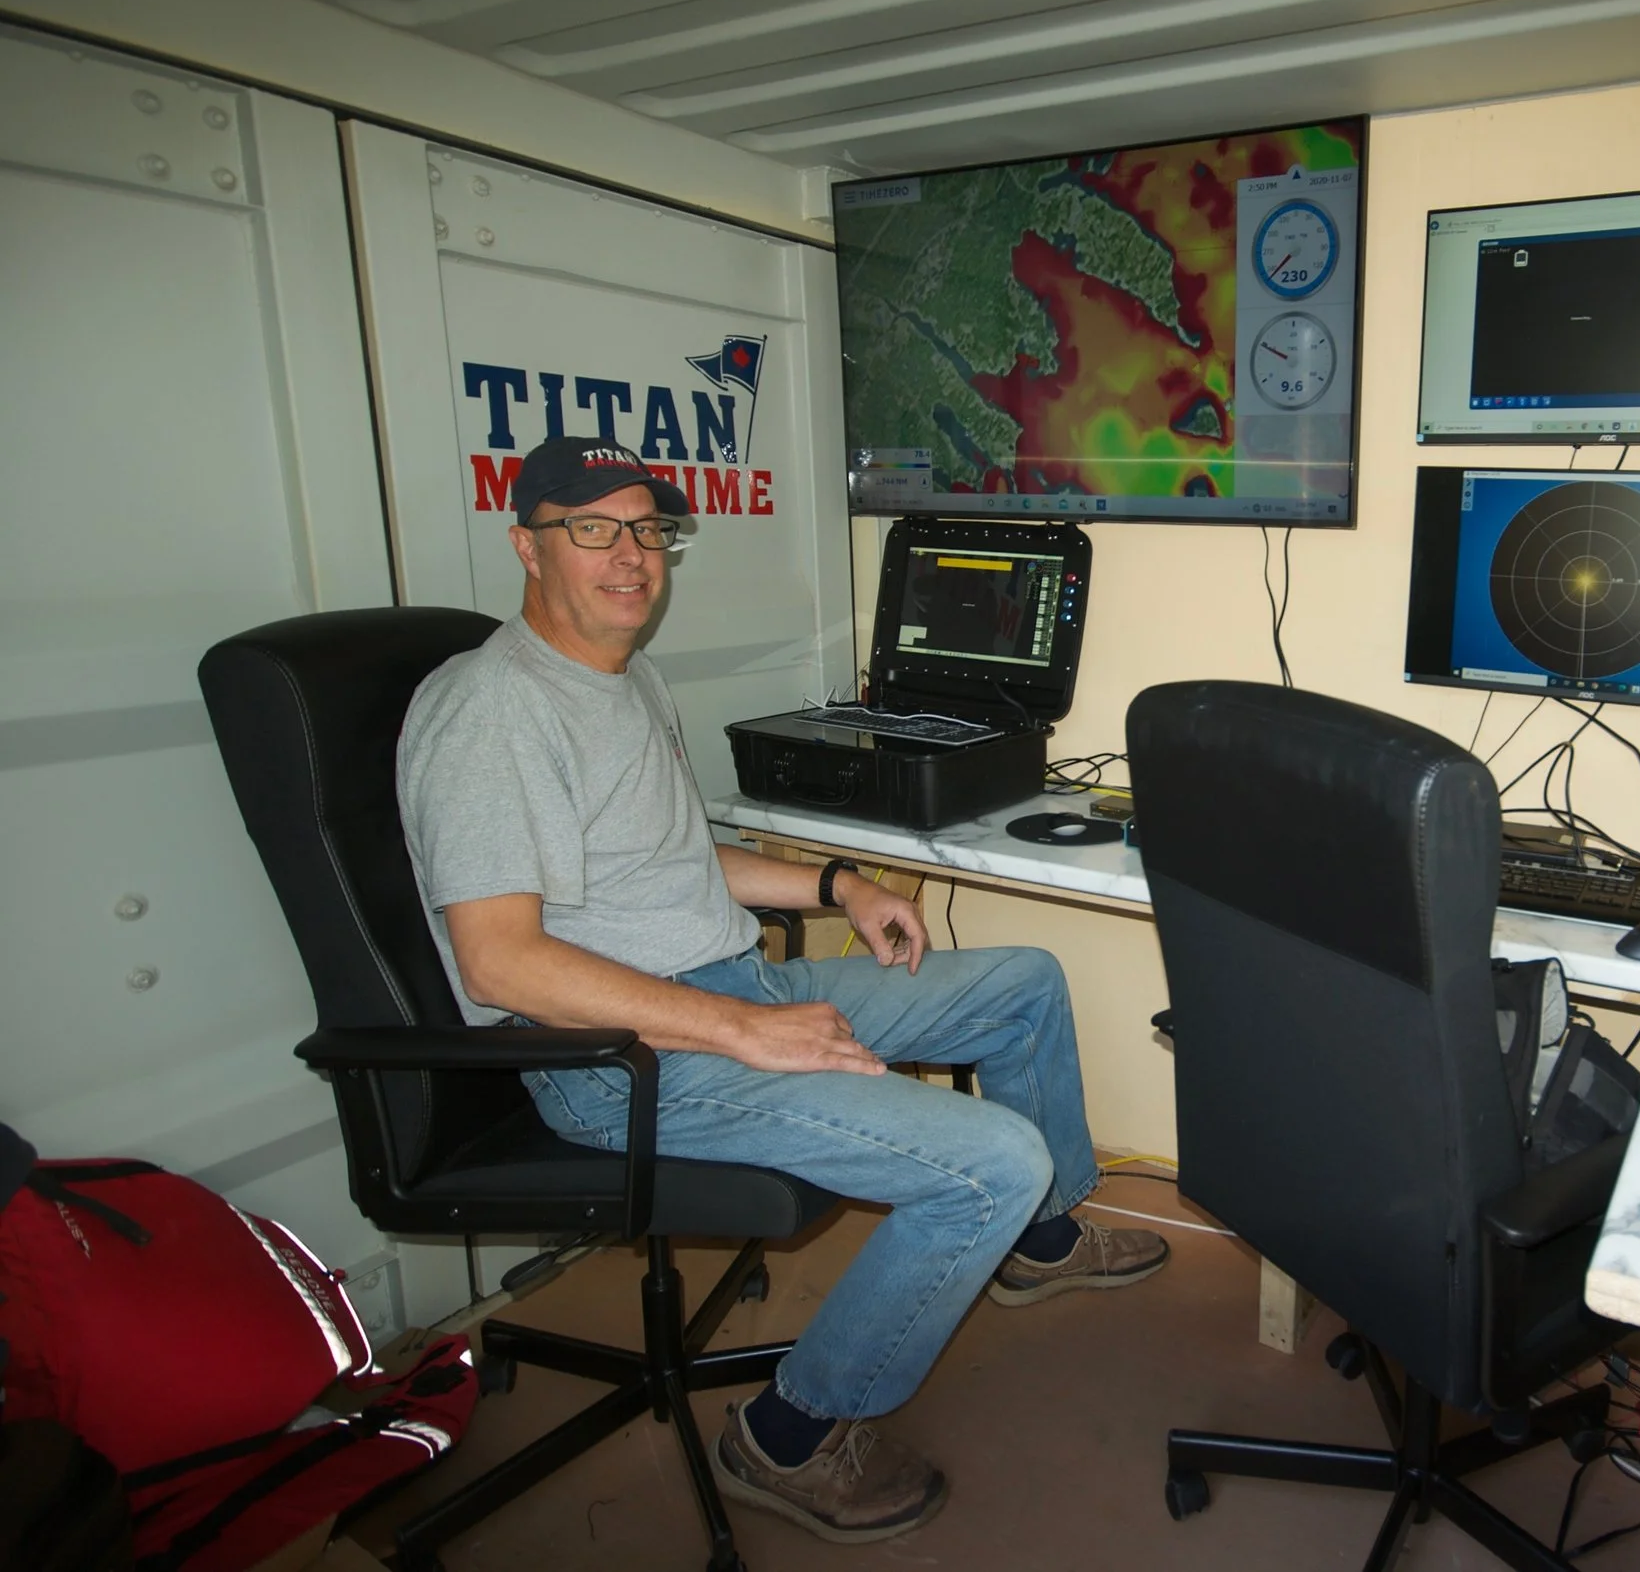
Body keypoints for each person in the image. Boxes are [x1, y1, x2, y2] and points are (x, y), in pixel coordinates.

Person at [396, 436, 1165, 1546]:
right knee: (990, 1159)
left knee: (1021, 981)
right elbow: (500, 963)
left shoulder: (624, 675)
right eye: (592, 529)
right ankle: (788, 1437)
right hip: (618, 1059)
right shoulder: (489, 712)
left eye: (647, 530)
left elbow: (669, 861)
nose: (630, 556)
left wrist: (838, 883)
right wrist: (749, 1030)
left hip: (722, 986)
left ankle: (1035, 1247)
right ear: (527, 545)